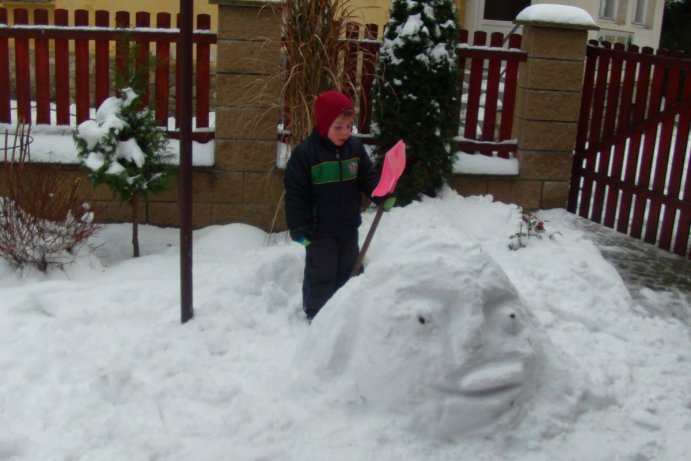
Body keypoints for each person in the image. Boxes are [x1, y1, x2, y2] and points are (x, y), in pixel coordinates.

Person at [284, 90, 395, 321]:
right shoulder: (306, 156)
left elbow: (368, 177)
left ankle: (348, 311)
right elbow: (295, 197)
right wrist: (298, 229)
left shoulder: (354, 149)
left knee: (349, 268)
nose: (345, 132)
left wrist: (381, 194)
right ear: (324, 125)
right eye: (338, 127)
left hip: (347, 227)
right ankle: (318, 314)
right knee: (322, 271)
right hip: (318, 230)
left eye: (348, 126)